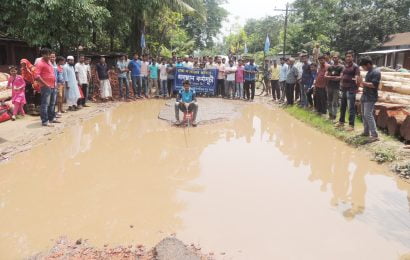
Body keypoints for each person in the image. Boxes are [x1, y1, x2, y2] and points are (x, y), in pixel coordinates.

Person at [336, 50, 361, 131]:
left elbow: (358, 78)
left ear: (352, 57)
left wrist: (356, 89)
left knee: (351, 108)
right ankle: (341, 122)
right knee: (343, 106)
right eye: (347, 56)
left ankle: (351, 125)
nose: (348, 58)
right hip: (344, 89)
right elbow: (342, 75)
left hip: (351, 89)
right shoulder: (345, 66)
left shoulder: (355, 67)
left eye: (349, 56)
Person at [359, 57, 380, 142]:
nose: (363, 68)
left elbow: (374, 85)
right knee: (364, 114)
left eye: (364, 66)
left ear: (368, 64)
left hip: (371, 97)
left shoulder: (376, 72)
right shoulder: (369, 72)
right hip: (365, 95)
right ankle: (366, 131)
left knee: (368, 115)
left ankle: (374, 135)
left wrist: (362, 82)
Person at [35, 48, 57, 127]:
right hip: (45, 87)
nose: (48, 56)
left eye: (49, 54)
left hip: (53, 85)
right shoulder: (40, 63)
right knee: (45, 104)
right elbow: (36, 76)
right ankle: (45, 121)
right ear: (42, 55)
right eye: (46, 54)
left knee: (52, 103)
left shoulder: (49, 62)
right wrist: (45, 84)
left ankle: (51, 118)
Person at [325, 52, 344, 120]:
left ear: (338, 58)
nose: (334, 58)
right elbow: (325, 76)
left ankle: (334, 115)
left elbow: (340, 77)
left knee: (335, 102)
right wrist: (334, 77)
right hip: (329, 86)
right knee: (329, 101)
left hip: (337, 87)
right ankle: (330, 114)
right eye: (333, 57)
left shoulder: (341, 67)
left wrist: (330, 77)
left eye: (336, 57)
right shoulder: (330, 67)